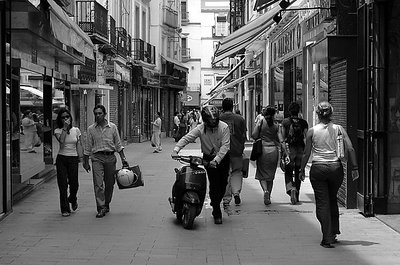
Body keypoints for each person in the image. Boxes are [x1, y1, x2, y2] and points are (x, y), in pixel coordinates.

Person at [299, 101, 359, 248]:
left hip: (318, 169)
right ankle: (333, 231)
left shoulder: (312, 131)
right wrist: (355, 167)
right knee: (332, 199)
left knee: (322, 202)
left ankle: (327, 237)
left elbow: (306, 153)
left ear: (318, 114)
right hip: (335, 169)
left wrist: (301, 169)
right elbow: (350, 148)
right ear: (331, 113)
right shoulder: (339, 129)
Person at [171, 105, 230, 225]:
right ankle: (216, 211)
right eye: (210, 121)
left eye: (215, 120)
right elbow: (188, 138)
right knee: (214, 184)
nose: (213, 123)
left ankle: (215, 202)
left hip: (222, 159)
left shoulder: (224, 127)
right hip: (208, 158)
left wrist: (217, 160)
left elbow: (225, 146)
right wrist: (176, 150)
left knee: (223, 184)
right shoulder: (201, 128)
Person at [83, 104, 129, 218]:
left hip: (110, 158)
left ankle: (106, 203)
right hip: (97, 158)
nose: (97, 116)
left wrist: (123, 159)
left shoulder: (112, 127)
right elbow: (88, 146)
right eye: (96, 114)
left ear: (105, 114)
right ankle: (101, 207)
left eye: (100, 113)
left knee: (110, 184)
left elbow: (118, 144)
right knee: (98, 184)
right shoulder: (91, 129)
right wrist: (85, 161)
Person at [54, 108, 83, 217]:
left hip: (73, 158)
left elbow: (79, 144)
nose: (66, 119)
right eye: (63, 117)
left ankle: (72, 198)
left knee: (74, 183)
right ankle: (65, 209)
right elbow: (61, 142)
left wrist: (82, 158)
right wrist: (65, 128)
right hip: (62, 158)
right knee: (63, 185)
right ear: (60, 119)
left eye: (67, 117)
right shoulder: (57, 131)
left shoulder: (76, 130)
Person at [279, 101, 308, 205]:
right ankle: (297, 193)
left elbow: (281, 137)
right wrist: (307, 151)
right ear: (298, 110)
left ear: (289, 111)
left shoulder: (285, 122)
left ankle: (291, 188)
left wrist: (283, 150)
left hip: (289, 150)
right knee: (298, 171)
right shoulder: (304, 123)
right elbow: (306, 138)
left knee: (288, 171)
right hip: (300, 149)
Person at [220, 98, 247, 207]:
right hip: (236, 151)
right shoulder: (240, 119)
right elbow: (244, 136)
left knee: (225, 174)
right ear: (232, 107)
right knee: (236, 172)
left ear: (222, 107)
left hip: (222, 153)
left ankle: (226, 199)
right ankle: (236, 193)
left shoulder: (218, 119)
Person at [252, 106, 280, 205]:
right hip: (273, 151)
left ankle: (265, 191)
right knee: (270, 176)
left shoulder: (261, 122)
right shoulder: (276, 125)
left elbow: (254, 135)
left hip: (263, 150)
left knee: (262, 174)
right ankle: (269, 194)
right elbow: (279, 139)